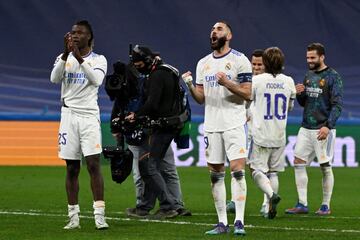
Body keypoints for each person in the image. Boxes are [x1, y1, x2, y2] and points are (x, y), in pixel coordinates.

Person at [182, 21, 251, 236]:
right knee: (215, 175)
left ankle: (239, 221)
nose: (214, 32)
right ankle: (222, 223)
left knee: (238, 172)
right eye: (212, 29)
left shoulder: (240, 60)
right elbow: (201, 99)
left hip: (234, 123)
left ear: (229, 35)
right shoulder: (203, 63)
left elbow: (248, 93)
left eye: (219, 29)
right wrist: (191, 85)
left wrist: (228, 84)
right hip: (212, 126)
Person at [108, 60, 191, 218]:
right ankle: (151, 206)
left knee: (160, 170)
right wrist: (116, 126)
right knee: (146, 172)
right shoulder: (125, 90)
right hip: (139, 134)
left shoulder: (148, 84)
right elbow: (118, 106)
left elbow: (154, 104)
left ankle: (169, 206)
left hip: (155, 132)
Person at [50, 20, 109, 230]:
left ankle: (99, 215)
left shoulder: (99, 60)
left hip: (88, 116)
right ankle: (73, 217)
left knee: (93, 164)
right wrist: (66, 55)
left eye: (80, 33)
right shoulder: (63, 58)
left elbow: (96, 81)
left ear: (89, 37)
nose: (75, 35)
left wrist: (77, 57)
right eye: (73, 32)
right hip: (68, 116)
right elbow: (54, 79)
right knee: (72, 167)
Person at [125, 45, 185, 219]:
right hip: (171, 124)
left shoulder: (156, 75)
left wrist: (136, 115)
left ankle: (168, 206)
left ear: (148, 61)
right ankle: (145, 207)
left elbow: (153, 103)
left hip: (162, 127)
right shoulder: (168, 71)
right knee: (151, 166)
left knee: (148, 166)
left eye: (139, 64)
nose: (137, 67)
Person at [285, 43, 343, 215]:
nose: (309, 61)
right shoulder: (308, 75)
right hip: (306, 127)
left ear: (322, 57)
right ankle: (302, 204)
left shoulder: (333, 76)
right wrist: (299, 93)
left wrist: (328, 126)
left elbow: (337, 105)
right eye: (308, 58)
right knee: (298, 163)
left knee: (325, 166)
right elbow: (304, 103)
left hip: (323, 129)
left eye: (313, 58)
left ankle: (325, 205)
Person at [247, 47, 296, 219]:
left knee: (255, 170)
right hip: (279, 134)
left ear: (265, 62)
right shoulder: (289, 81)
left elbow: (248, 102)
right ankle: (267, 207)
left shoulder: (257, 81)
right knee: (273, 172)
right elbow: (290, 106)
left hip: (260, 133)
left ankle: (270, 195)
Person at [226, 49, 265, 215]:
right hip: (245, 128)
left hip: (259, 130)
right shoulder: (245, 80)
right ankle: (235, 201)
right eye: (253, 64)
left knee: (256, 168)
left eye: (259, 64)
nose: (255, 67)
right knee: (237, 165)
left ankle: (266, 201)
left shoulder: (264, 82)